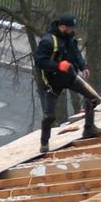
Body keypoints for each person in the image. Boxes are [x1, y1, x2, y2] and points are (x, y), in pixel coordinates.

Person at [33, 13, 86, 153]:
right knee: (50, 115)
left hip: (69, 77)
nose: (72, 30)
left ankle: (89, 128)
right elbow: (40, 61)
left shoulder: (69, 37)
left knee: (92, 98)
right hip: (53, 81)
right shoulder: (48, 41)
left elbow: (75, 52)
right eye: (70, 28)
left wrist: (82, 66)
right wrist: (58, 66)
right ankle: (44, 143)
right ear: (62, 27)